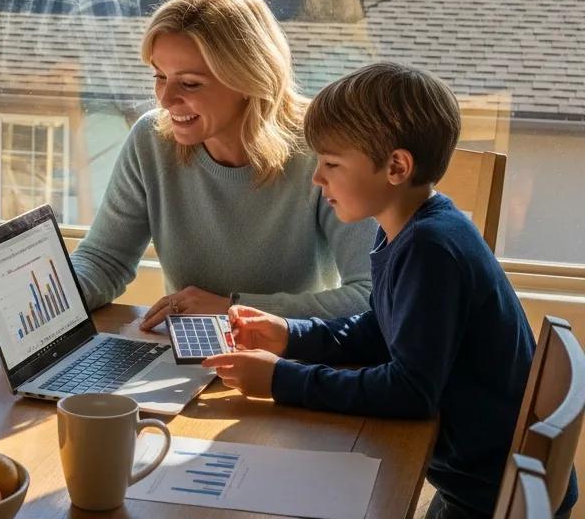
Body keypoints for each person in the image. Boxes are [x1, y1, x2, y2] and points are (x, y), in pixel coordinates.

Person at [201, 62, 577, 519]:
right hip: (477, 474)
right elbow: (383, 328)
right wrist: (290, 334)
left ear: (396, 167)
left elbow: (409, 392)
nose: (317, 178)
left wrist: (281, 379)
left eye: (332, 163)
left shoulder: (430, 248)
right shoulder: (407, 230)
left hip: (484, 495)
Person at [70, 0, 375, 330]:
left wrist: (232, 308)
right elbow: (104, 260)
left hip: (290, 362)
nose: (165, 99)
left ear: (249, 79)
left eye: (190, 83)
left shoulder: (325, 147)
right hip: (188, 354)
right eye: (159, 76)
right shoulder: (151, 140)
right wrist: (38, 306)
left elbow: (370, 295)